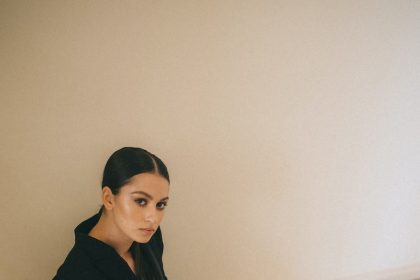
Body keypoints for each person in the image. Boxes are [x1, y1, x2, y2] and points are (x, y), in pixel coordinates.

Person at [53, 147, 170, 280]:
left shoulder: (148, 237)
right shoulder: (76, 273)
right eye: (141, 201)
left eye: (160, 204)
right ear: (108, 198)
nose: (153, 218)